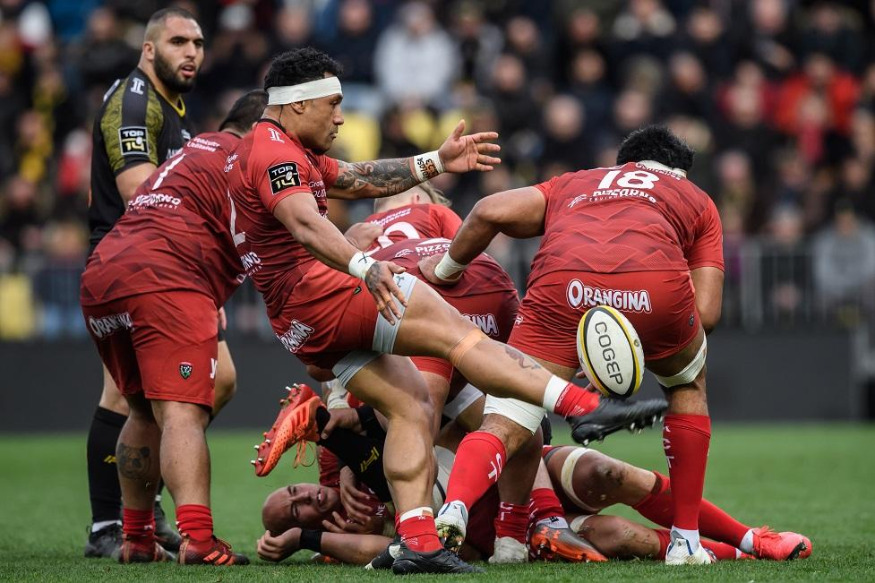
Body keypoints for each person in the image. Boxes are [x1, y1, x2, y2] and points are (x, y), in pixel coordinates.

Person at [227, 47, 653, 574]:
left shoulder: (278, 149)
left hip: (298, 320)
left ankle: (417, 541)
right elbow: (304, 222)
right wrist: (365, 265)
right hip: (326, 293)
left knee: (411, 408)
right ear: (297, 104)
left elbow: (359, 177)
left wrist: (436, 161)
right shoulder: (275, 152)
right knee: (463, 339)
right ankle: (586, 409)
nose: (340, 117)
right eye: (333, 104)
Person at [421, 125, 726, 565]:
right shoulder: (694, 197)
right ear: (678, 171)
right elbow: (708, 313)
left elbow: (488, 211)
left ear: (623, 162)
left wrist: (447, 269)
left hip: (562, 288)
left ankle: (455, 507)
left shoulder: (577, 181)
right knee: (687, 384)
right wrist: (630, 341)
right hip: (654, 289)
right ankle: (686, 541)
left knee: (507, 414)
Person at [255, 390, 811, 565]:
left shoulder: (347, 460)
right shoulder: (346, 536)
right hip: (492, 526)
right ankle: (736, 555)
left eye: (294, 491)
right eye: (296, 511)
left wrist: (328, 427)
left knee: (608, 471)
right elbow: (389, 550)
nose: (306, 499)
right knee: (619, 537)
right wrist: (309, 538)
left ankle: (750, 536)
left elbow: (332, 411)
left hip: (522, 467)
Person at [80, 90, 268, 565]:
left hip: (104, 272)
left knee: (142, 410)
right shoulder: (252, 155)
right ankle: (199, 540)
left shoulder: (192, 151)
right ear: (261, 128)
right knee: (183, 411)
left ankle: (137, 537)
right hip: (165, 276)